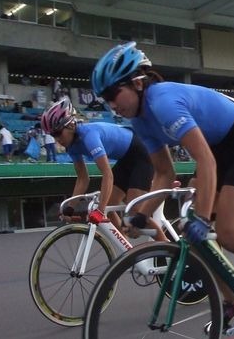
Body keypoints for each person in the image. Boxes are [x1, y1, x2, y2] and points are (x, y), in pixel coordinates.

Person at [91, 41, 234, 321]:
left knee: (229, 234)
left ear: (136, 82)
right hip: (217, 149)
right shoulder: (140, 120)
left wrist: (204, 218)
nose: (111, 104)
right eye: (104, 99)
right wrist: (140, 216)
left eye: (113, 94)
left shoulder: (162, 102)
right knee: (191, 236)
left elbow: (205, 161)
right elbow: (164, 174)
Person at [40, 97, 163, 239]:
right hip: (126, 159)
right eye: (53, 135)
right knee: (109, 204)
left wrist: (100, 210)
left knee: (134, 212)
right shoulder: (71, 147)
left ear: (70, 125)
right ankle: (126, 249)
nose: (57, 139)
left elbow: (107, 174)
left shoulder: (89, 136)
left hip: (141, 154)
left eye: (58, 133)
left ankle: (167, 246)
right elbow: (82, 179)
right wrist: (70, 208)